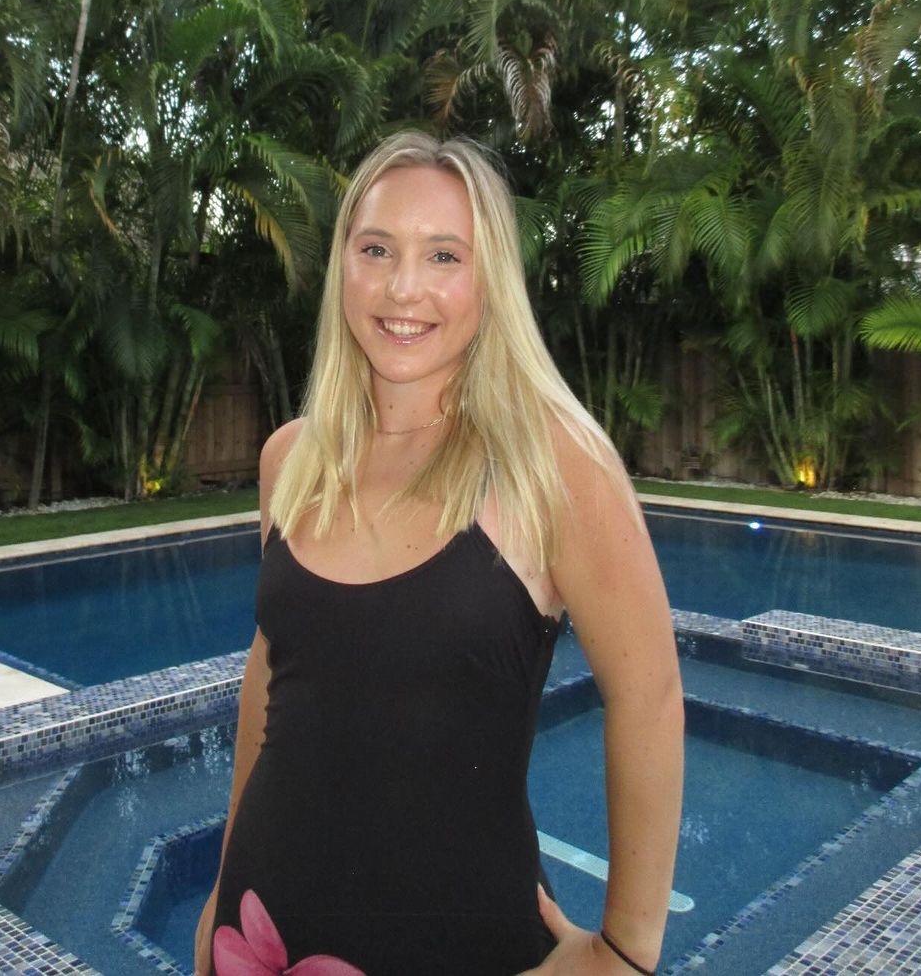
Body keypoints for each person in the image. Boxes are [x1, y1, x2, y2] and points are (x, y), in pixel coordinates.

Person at [195, 132, 683, 976]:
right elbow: (271, 679)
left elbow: (649, 695)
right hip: (261, 932)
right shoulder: (293, 460)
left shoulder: (550, 466)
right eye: (376, 249)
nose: (403, 287)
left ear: (490, 280)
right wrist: (218, 893)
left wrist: (626, 951)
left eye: (444, 255)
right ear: (343, 265)